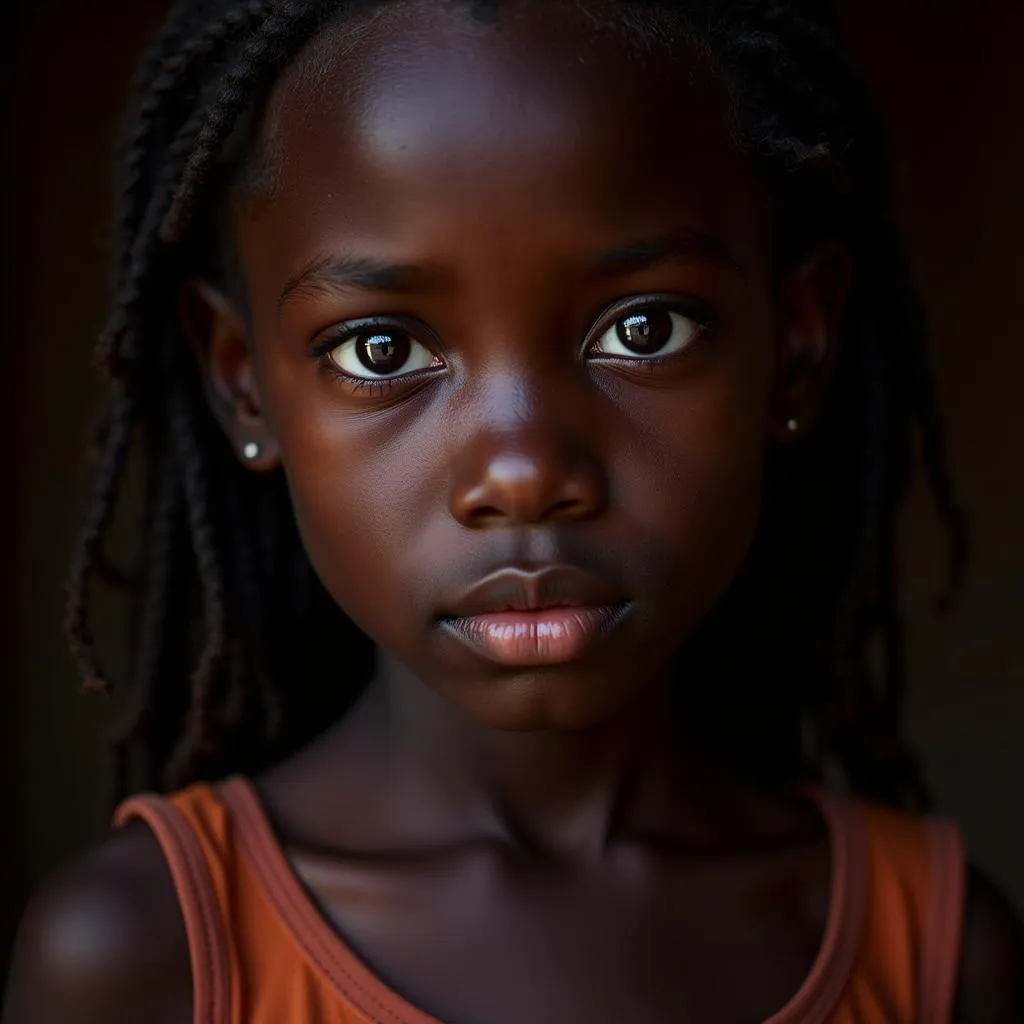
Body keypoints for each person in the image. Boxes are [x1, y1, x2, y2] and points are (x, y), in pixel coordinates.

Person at [4, 0, 1023, 1020]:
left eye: (645, 328)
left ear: (795, 347)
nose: (526, 471)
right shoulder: (147, 959)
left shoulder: (935, 952)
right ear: (243, 384)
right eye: (381, 351)